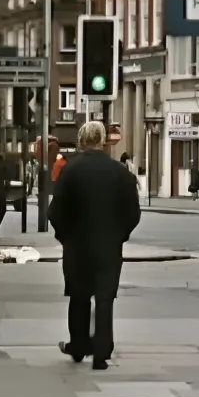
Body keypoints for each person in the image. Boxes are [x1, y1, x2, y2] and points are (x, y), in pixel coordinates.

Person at [49, 121, 141, 371]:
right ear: (102, 140)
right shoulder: (120, 172)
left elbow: (55, 212)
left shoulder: (70, 170)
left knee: (78, 297)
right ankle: (101, 353)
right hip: (108, 247)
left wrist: (65, 237)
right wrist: (120, 236)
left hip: (77, 246)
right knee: (104, 298)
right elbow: (133, 213)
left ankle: (78, 345)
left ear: (81, 140)